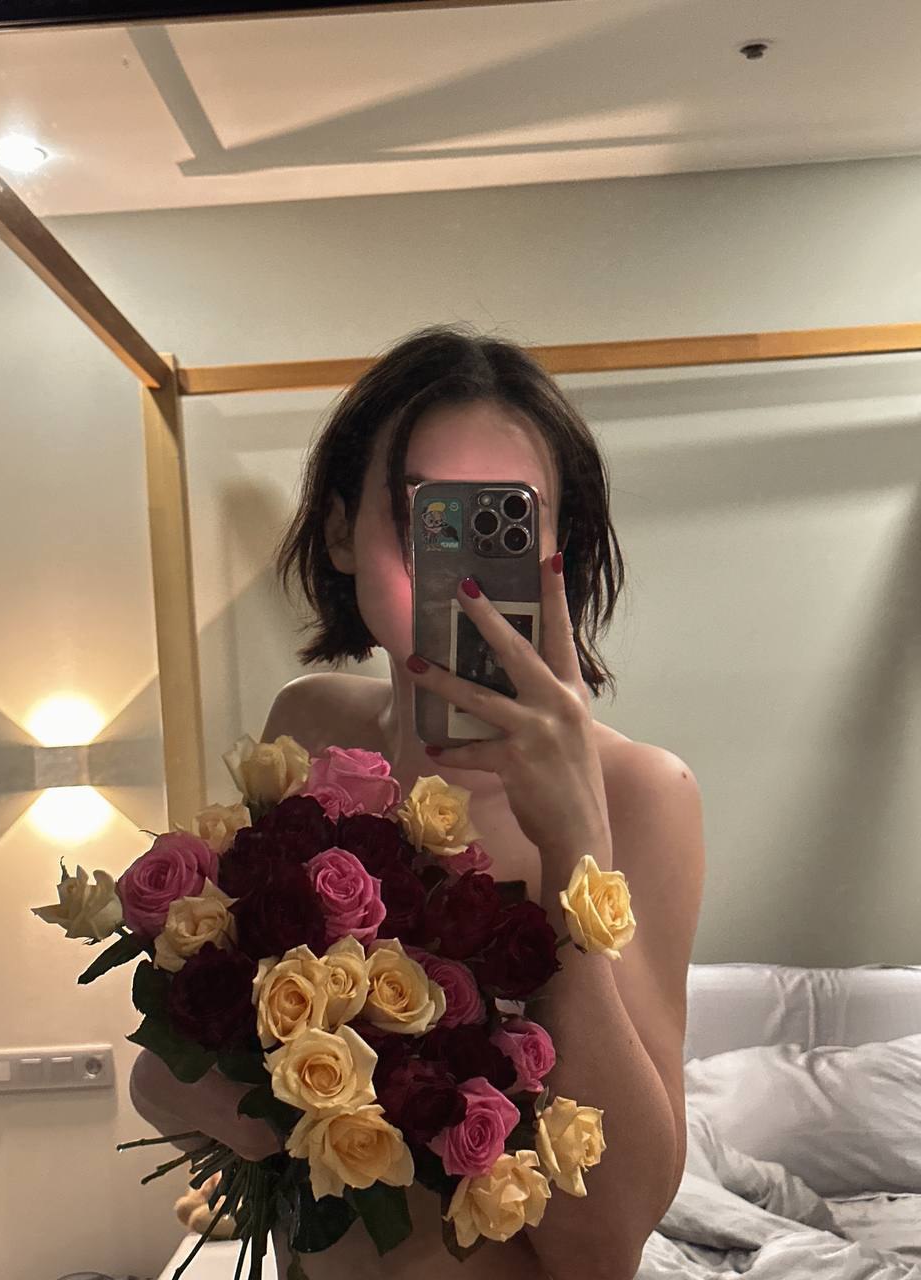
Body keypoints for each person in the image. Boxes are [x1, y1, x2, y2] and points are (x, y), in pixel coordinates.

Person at [130, 323, 706, 1280]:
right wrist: (230, 1103)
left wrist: (574, 838)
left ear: (560, 548)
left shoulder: (643, 794)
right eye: (427, 522)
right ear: (339, 534)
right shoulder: (309, 725)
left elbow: (604, 1246)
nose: (461, 575)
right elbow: (183, 1073)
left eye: (506, 523)